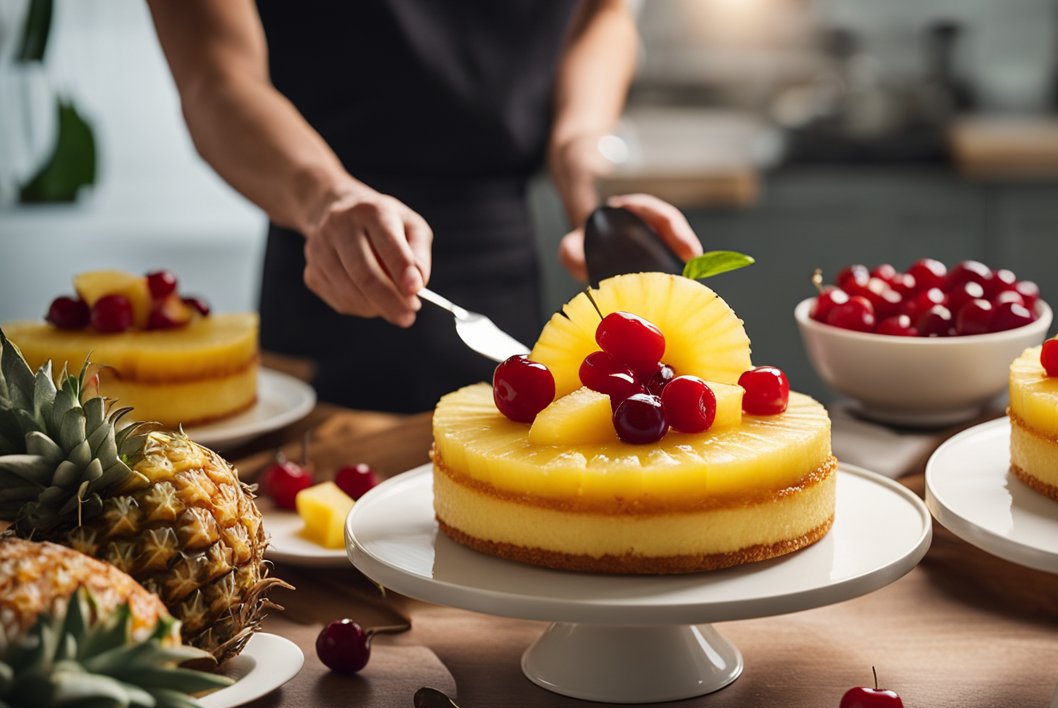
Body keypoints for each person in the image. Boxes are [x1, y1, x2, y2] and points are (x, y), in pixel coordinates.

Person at [147, 0, 702, 412]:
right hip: (327, 277)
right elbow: (216, 78)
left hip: (509, 268)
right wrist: (325, 195)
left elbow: (602, 16)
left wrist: (584, 158)